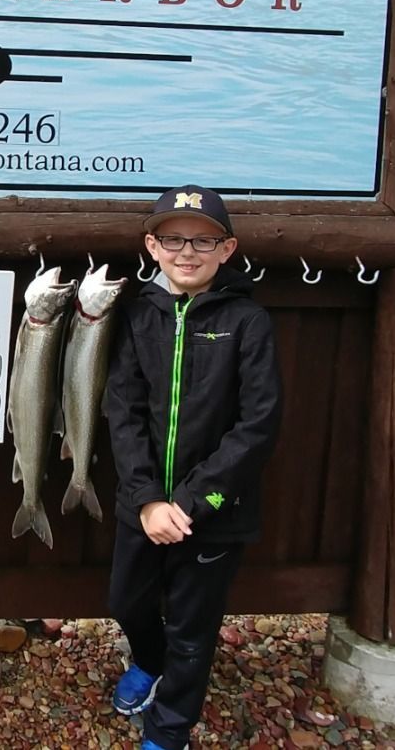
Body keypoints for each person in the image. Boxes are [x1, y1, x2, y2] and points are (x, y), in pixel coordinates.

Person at [103, 184, 284, 750]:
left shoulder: (248, 321)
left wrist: (193, 501)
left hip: (215, 514)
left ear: (226, 250)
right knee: (125, 602)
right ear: (152, 246)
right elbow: (122, 411)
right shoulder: (137, 315)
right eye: (174, 239)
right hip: (146, 506)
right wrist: (147, 499)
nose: (188, 252)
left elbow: (259, 424)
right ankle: (149, 662)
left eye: (203, 241)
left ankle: (170, 728)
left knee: (192, 630)